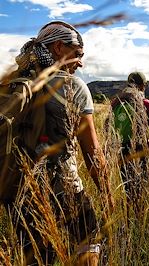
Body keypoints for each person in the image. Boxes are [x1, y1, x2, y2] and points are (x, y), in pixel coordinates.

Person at [8, 20, 114, 265]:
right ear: (58, 48)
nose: (80, 62)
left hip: (18, 193)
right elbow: (92, 151)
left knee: (36, 257)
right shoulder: (72, 86)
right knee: (89, 242)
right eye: (77, 54)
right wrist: (108, 193)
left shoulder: (13, 85)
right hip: (64, 190)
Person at [110, 71, 149, 207]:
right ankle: (141, 216)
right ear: (143, 85)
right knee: (144, 185)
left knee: (128, 187)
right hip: (142, 149)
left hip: (122, 149)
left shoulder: (115, 103)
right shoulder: (148, 105)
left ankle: (129, 213)